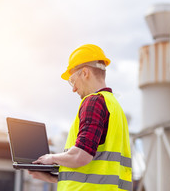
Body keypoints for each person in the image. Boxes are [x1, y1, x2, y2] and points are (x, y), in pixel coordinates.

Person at [28, 44, 132, 191]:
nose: (73, 88)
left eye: (72, 80)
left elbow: (82, 155)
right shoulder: (115, 106)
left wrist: (51, 158)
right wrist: (52, 177)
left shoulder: (93, 101)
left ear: (85, 73)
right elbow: (98, 171)